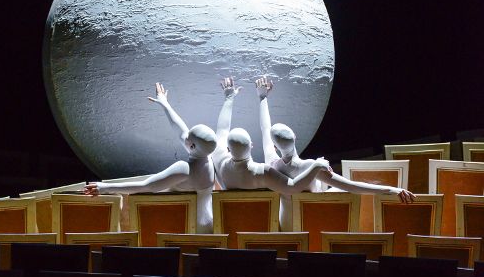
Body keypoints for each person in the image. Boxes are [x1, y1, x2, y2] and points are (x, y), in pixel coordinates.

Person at [255, 74, 415, 200]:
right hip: (313, 219)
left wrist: (262, 97)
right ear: (295, 136)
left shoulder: (272, 164)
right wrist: (393, 189)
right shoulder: (311, 166)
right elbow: (352, 186)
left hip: (288, 221)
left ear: (275, 147)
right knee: (343, 187)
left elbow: (265, 128)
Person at [84, 82, 217, 233]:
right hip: (207, 227)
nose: (185, 136)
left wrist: (105, 188)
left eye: (189, 138)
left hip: (186, 228)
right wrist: (165, 104)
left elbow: (145, 186)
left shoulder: (185, 169)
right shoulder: (208, 158)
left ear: (192, 146)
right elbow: (183, 132)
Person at [212, 77, 333, 196]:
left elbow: (222, 129)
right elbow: (266, 131)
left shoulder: (219, 159)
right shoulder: (263, 172)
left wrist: (229, 98)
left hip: (231, 215)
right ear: (252, 146)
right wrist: (262, 97)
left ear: (227, 148)